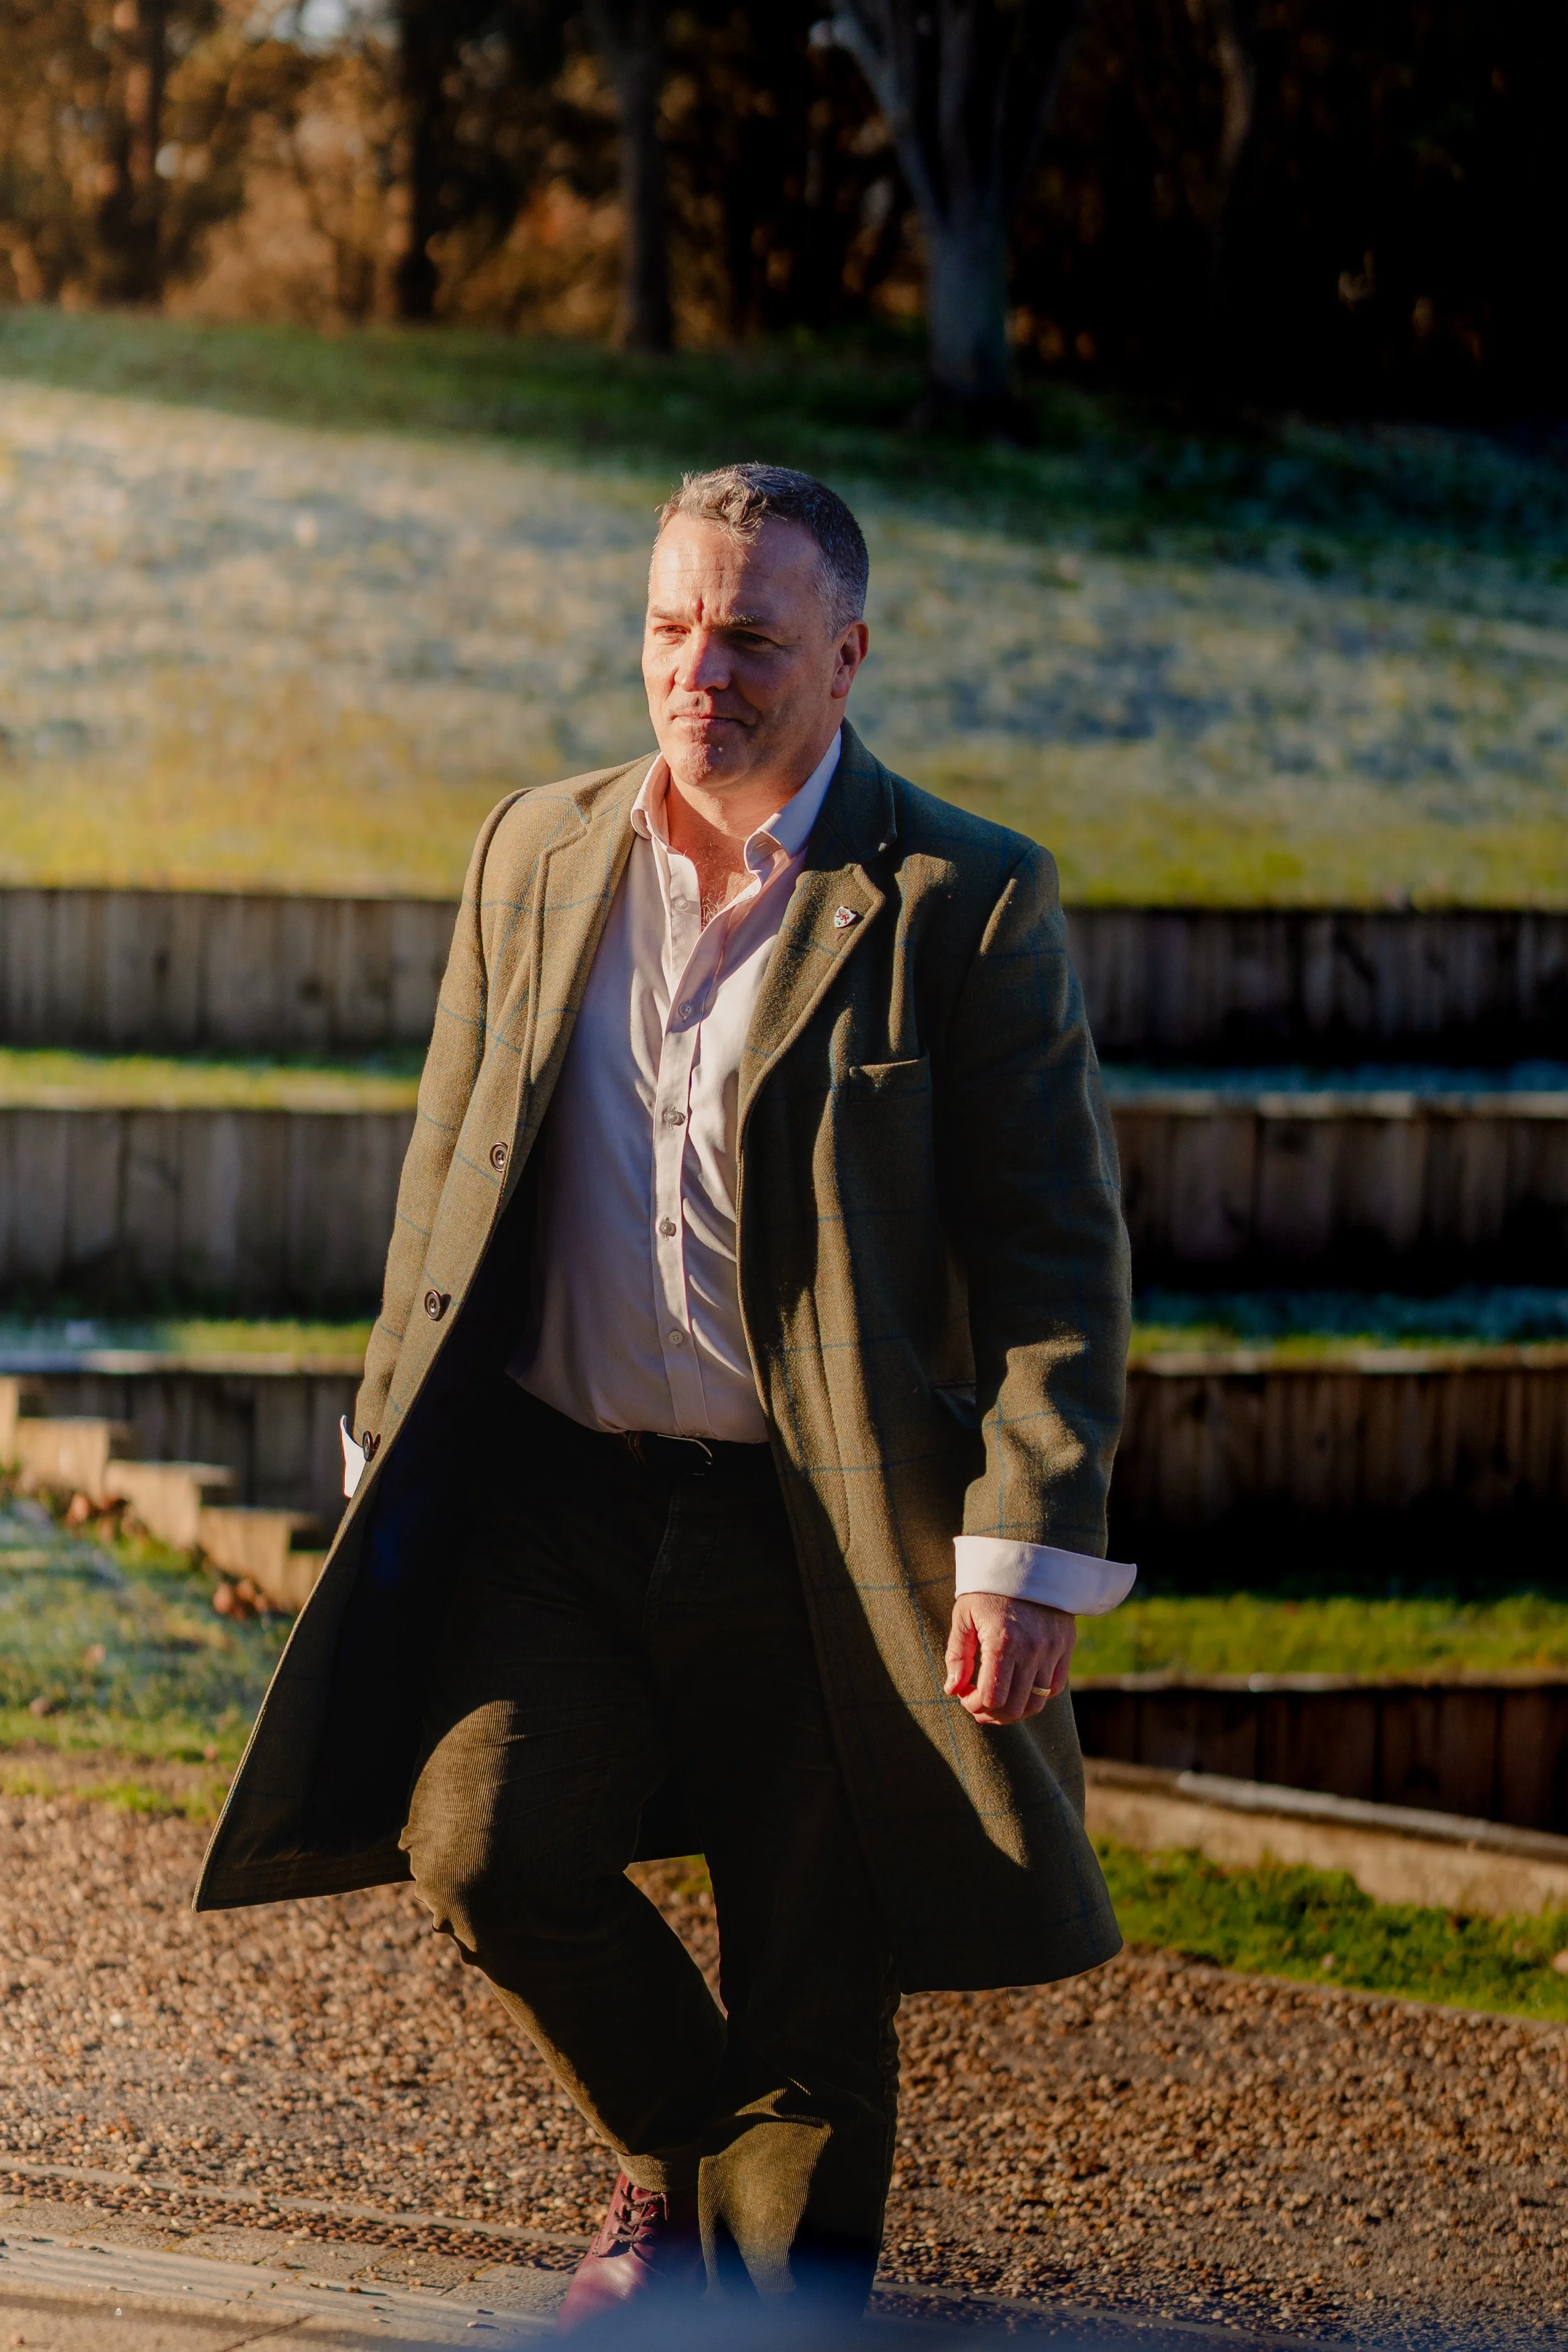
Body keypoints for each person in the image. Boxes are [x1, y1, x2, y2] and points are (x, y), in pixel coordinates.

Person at [194, 464, 1135, 2329]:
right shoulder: (534, 848)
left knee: (813, 1981)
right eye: (671, 627)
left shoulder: (960, 898)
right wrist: (388, 1438)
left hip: (820, 1528)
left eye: (753, 638)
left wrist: (1023, 1543)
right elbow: (448, 1161)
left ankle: (765, 2288)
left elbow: (1056, 1255)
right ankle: (675, 2146)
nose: (701, 671)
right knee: (485, 1850)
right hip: (557, 1503)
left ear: (846, 653)